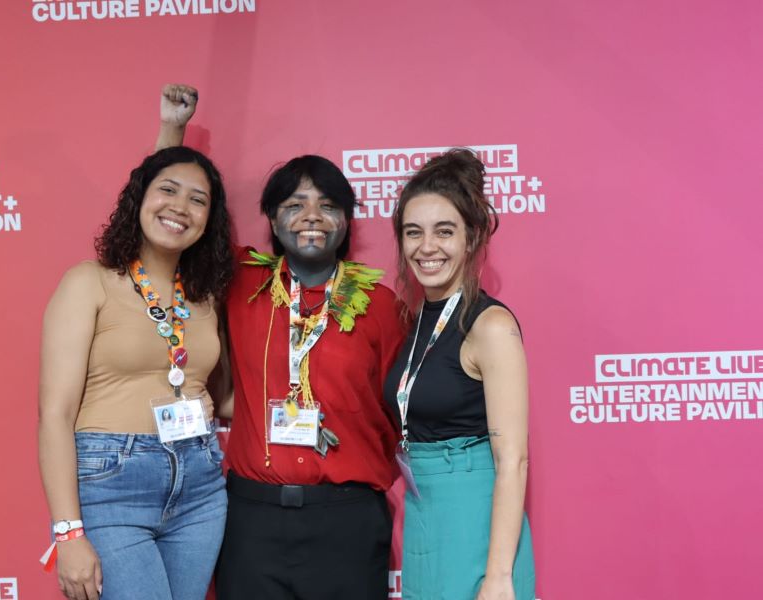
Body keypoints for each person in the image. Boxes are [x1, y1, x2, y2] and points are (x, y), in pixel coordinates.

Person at [156, 85, 407, 600]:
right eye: (295, 204)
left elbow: (398, 409)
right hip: (252, 520)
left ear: (347, 220)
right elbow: (174, 219)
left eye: (328, 204)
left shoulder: (380, 304)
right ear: (272, 219)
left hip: (348, 519)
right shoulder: (243, 282)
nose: (312, 215)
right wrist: (172, 130)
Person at [38, 106, 234, 600]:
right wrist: (68, 532)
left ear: (209, 220)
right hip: (111, 483)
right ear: (140, 199)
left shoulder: (205, 297)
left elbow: (227, 397)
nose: (180, 207)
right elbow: (55, 414)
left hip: (201, 487)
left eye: (198, 200)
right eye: (167, 190)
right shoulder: (90, 282)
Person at [383, 149, 536, 599]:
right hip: (424, 514)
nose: (426, 247)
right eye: (414, 233)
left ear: (471, 239)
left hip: (475, 517)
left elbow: (514, 461)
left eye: (443, 232)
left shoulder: (491, 326)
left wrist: (499, 578)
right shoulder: (417, 321)